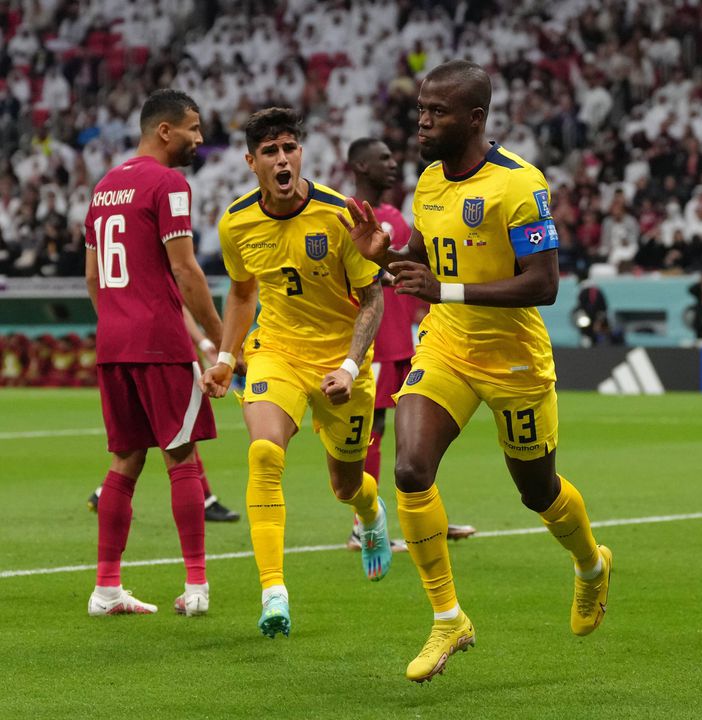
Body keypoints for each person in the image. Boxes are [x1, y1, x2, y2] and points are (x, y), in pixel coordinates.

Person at [339, 60, 612, 683]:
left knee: (537, 491)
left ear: (475, 117)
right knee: (410, 469)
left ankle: (592, 565)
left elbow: (543, 284)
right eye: (420, 110)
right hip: (446, 347)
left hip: (513, 358)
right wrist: (383, 257)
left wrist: (445, 289)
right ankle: (448, 619)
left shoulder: (518, 184)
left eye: (436, 112)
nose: (422, 122)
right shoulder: (430, 181)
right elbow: (420, 262)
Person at [199, 107, 391, 639]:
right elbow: (242, 294)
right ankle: (273, 592)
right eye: (270, 151)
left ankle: (370, 512)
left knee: (345, 485)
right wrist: (226, 359)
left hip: (342, 362)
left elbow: (373, 300)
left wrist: (349, 366)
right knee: (264, 453)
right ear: (252, 162)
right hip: (277, 351)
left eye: (289, 148)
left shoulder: (338, 215)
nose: (282, 159)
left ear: (301, 154)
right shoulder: (236, 222)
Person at [84, 89, 223, 618]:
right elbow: (185, 269)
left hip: (113, 342)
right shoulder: (169, 184)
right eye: (193, 128)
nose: (200, 139)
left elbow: (93, 277)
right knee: (182, 455)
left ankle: (106, 589)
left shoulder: (103, 188)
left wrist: (120, 320)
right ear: (165, 130)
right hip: (160, 343)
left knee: (126, 459)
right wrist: (220, 339)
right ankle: (196, 586)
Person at [345, 136, 477, 551]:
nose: (392, 163)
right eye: (383, 158)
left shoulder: (398, 218)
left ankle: (427, 517)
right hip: (373, 341)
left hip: (402, 338)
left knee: (417, 432)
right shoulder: (346, 216)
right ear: (361, 166)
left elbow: (411, 269)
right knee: (374, 428)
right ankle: (362, 525)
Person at [84, 307, 241, 522]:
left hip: (115, 347)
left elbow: (97, 290)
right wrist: (211, 342)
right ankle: (202, 505)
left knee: (138, 443)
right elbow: (182, 298)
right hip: (160, 349)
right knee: (179, 434)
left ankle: (105, 495)